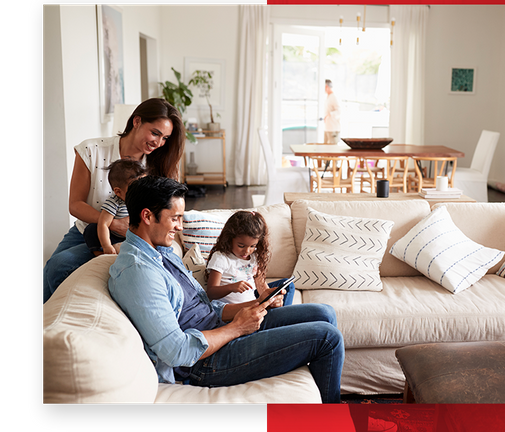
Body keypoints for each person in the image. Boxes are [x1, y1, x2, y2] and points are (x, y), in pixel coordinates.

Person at [108, 176, 344, 403]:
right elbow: (176, 351)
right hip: (205, 361)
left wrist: (255, 304)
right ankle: (333, 421)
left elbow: (204, 307)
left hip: (219, 329)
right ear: (147, 216)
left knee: (324, 313)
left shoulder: (162, 252)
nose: (179, 227)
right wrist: (237, 328)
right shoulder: (138, 272)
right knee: (327, 338)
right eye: (175, 218)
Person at [42, 98, 185, 303]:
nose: (159, 142)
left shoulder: (159, 164)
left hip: (131, 236)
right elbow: (75, 205)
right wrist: (112, 223)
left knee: (59, 266)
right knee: (50, 269)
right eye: (155, 133)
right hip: (88, 228)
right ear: (136, 121)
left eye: (165, 138)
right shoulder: (91, 150)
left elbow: (167, 212)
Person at [206, 210, 295, 307]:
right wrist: (231, 287)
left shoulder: (254, 257)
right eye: (241, 246)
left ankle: (279, 313)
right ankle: (281, 317)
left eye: (252, 246)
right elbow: (211, 292)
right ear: (229, 239)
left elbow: (262, 288)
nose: (247, 251)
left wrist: (271, 300)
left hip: (254, 306)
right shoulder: (221, 257)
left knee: (287, 286)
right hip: (235, 311)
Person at [83, 159, 146, 256]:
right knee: (92, 229)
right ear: (118, 192)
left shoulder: (144, 201)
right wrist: (106, 245)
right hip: (114, 237)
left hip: (133, 237)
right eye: (135, 189)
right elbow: (103, 224)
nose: (141, 192)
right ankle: (100, 253)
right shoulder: (114, 203)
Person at [323, 79, 341, 144]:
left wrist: (329, 114)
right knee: (325, 149)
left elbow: (339, 111)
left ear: (326, 86)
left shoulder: (333, 97)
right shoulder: (328, 97)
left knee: (332, 150)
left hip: (333, 128)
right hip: (327, 128)